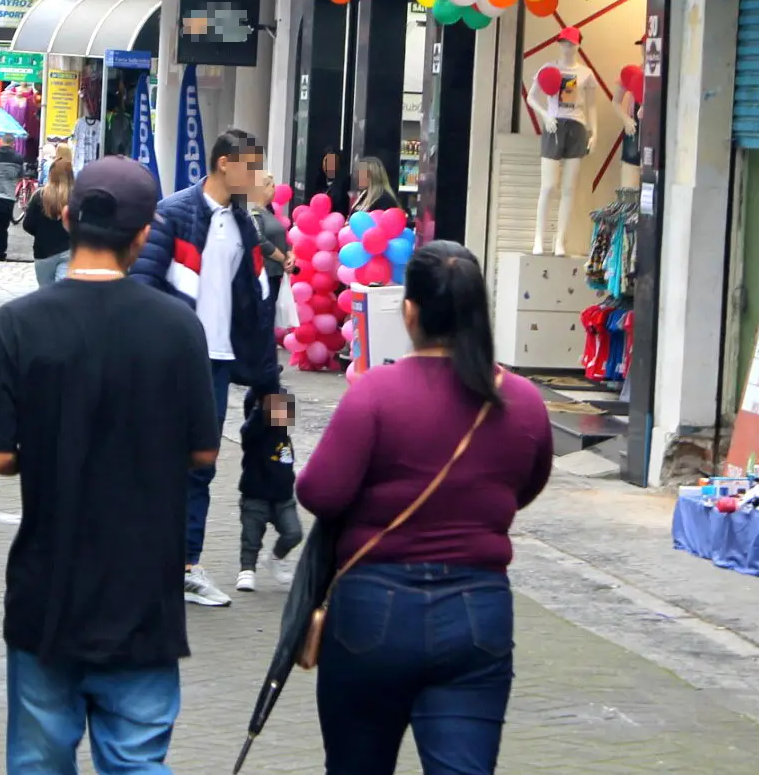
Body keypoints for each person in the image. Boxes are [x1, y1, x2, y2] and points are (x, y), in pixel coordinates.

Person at [0, 156, 220, 772]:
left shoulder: (15, 324)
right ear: (143, 233)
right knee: (136, 759)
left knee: (39, 760)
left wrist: (53, 446)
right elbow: (203, 450)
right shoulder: (178, 327)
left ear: (68, 216)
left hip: (46, 586)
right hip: (143, 591)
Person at [296, 240, 554, 775]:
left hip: (373, 609)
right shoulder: (523, 401)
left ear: (409, 310)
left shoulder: (376, 393)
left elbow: (320, 493)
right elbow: (524, 487)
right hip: (478, 610)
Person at [130, 128, 278, 608]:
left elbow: (255, 305)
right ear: (223, 164)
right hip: (172, 362)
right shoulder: (173, 213)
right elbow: (145, 286)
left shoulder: (243, 224)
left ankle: (187, 566)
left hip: (216, 364)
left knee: (201, 465)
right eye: (250, 167)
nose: (256, 177)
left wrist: (269, 383)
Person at [235, 389, 302, 592]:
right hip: (256, 495)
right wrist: (260, 403)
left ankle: (275, 558)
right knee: (251, 537)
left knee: (294, 532)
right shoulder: (254, 436)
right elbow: (250, 428)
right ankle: (247, 569)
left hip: (283, 497)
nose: (285, 412)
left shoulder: (284, 435)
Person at [22, 153, 71, 287]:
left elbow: (28, 224)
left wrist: (42, 232)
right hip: (69, 250)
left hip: (43, 251)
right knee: (63, 292)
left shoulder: (39, 196)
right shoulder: (77, 197)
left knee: (45, 292)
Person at [249, 172, 293, 309]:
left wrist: (291, 254)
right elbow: (259, 240)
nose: (274, 189)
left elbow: (282, 238)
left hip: (275, 274)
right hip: (265, 274)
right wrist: (282, 258)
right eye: (270, 186)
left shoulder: (269, 213)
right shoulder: (254, 213)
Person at [0, 133, 25, 261]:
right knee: (3, 226)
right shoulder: (19, 158)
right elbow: (21, 175)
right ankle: (1, 253)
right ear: (13, 143)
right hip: (8, 197)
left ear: (1, 142)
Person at [315, 146, 351, 216]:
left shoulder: (345, 182)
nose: (330, 165)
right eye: (327, 162)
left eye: (333, 162)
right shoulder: (319, 181)